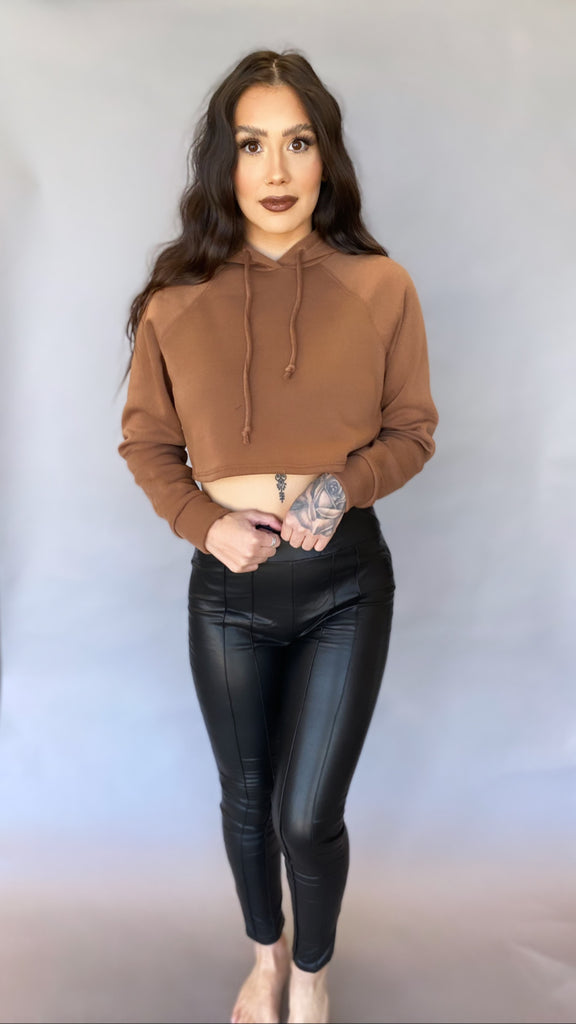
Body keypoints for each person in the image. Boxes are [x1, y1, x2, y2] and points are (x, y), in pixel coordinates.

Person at [118, 48, 438, 1024]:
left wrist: (345, 486)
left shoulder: (381, 286)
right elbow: (147, 443)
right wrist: (204, 524)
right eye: (252, 145)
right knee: (248, 801)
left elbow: (412, 430)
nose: (276, 170)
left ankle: (312, 971)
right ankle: (266, 960)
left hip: (345, 583)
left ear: (325, 157)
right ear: (224, 162)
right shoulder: (176, 299)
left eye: (298, 143)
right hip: (228, 588)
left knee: (308, 813)